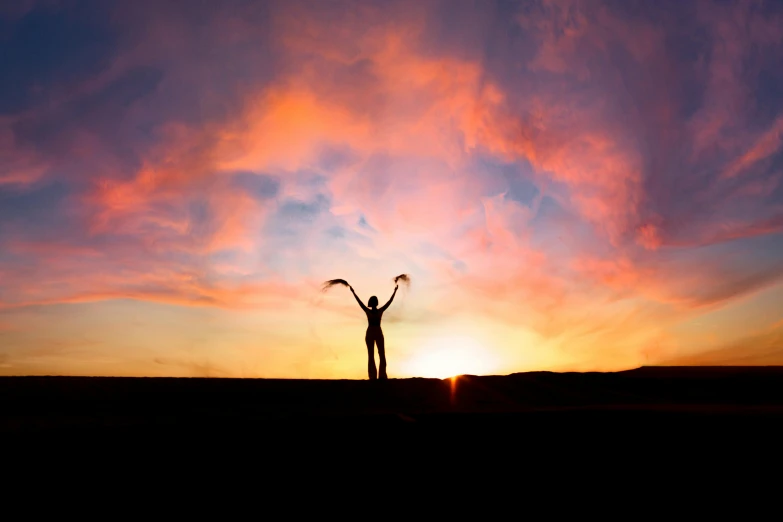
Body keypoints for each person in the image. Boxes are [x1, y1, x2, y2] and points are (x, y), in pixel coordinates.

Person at [349, 284, 398, 380]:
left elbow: (390, 301)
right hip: (371, 332)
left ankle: (382, 376)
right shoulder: (370, 310)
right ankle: (373, 376)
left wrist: (395, 291)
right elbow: (359, 302)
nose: (374, 303)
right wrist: (353, 292)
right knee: (371, 355)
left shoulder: (379, 310)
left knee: (381, 354)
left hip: (377, 331)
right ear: (373, 303)